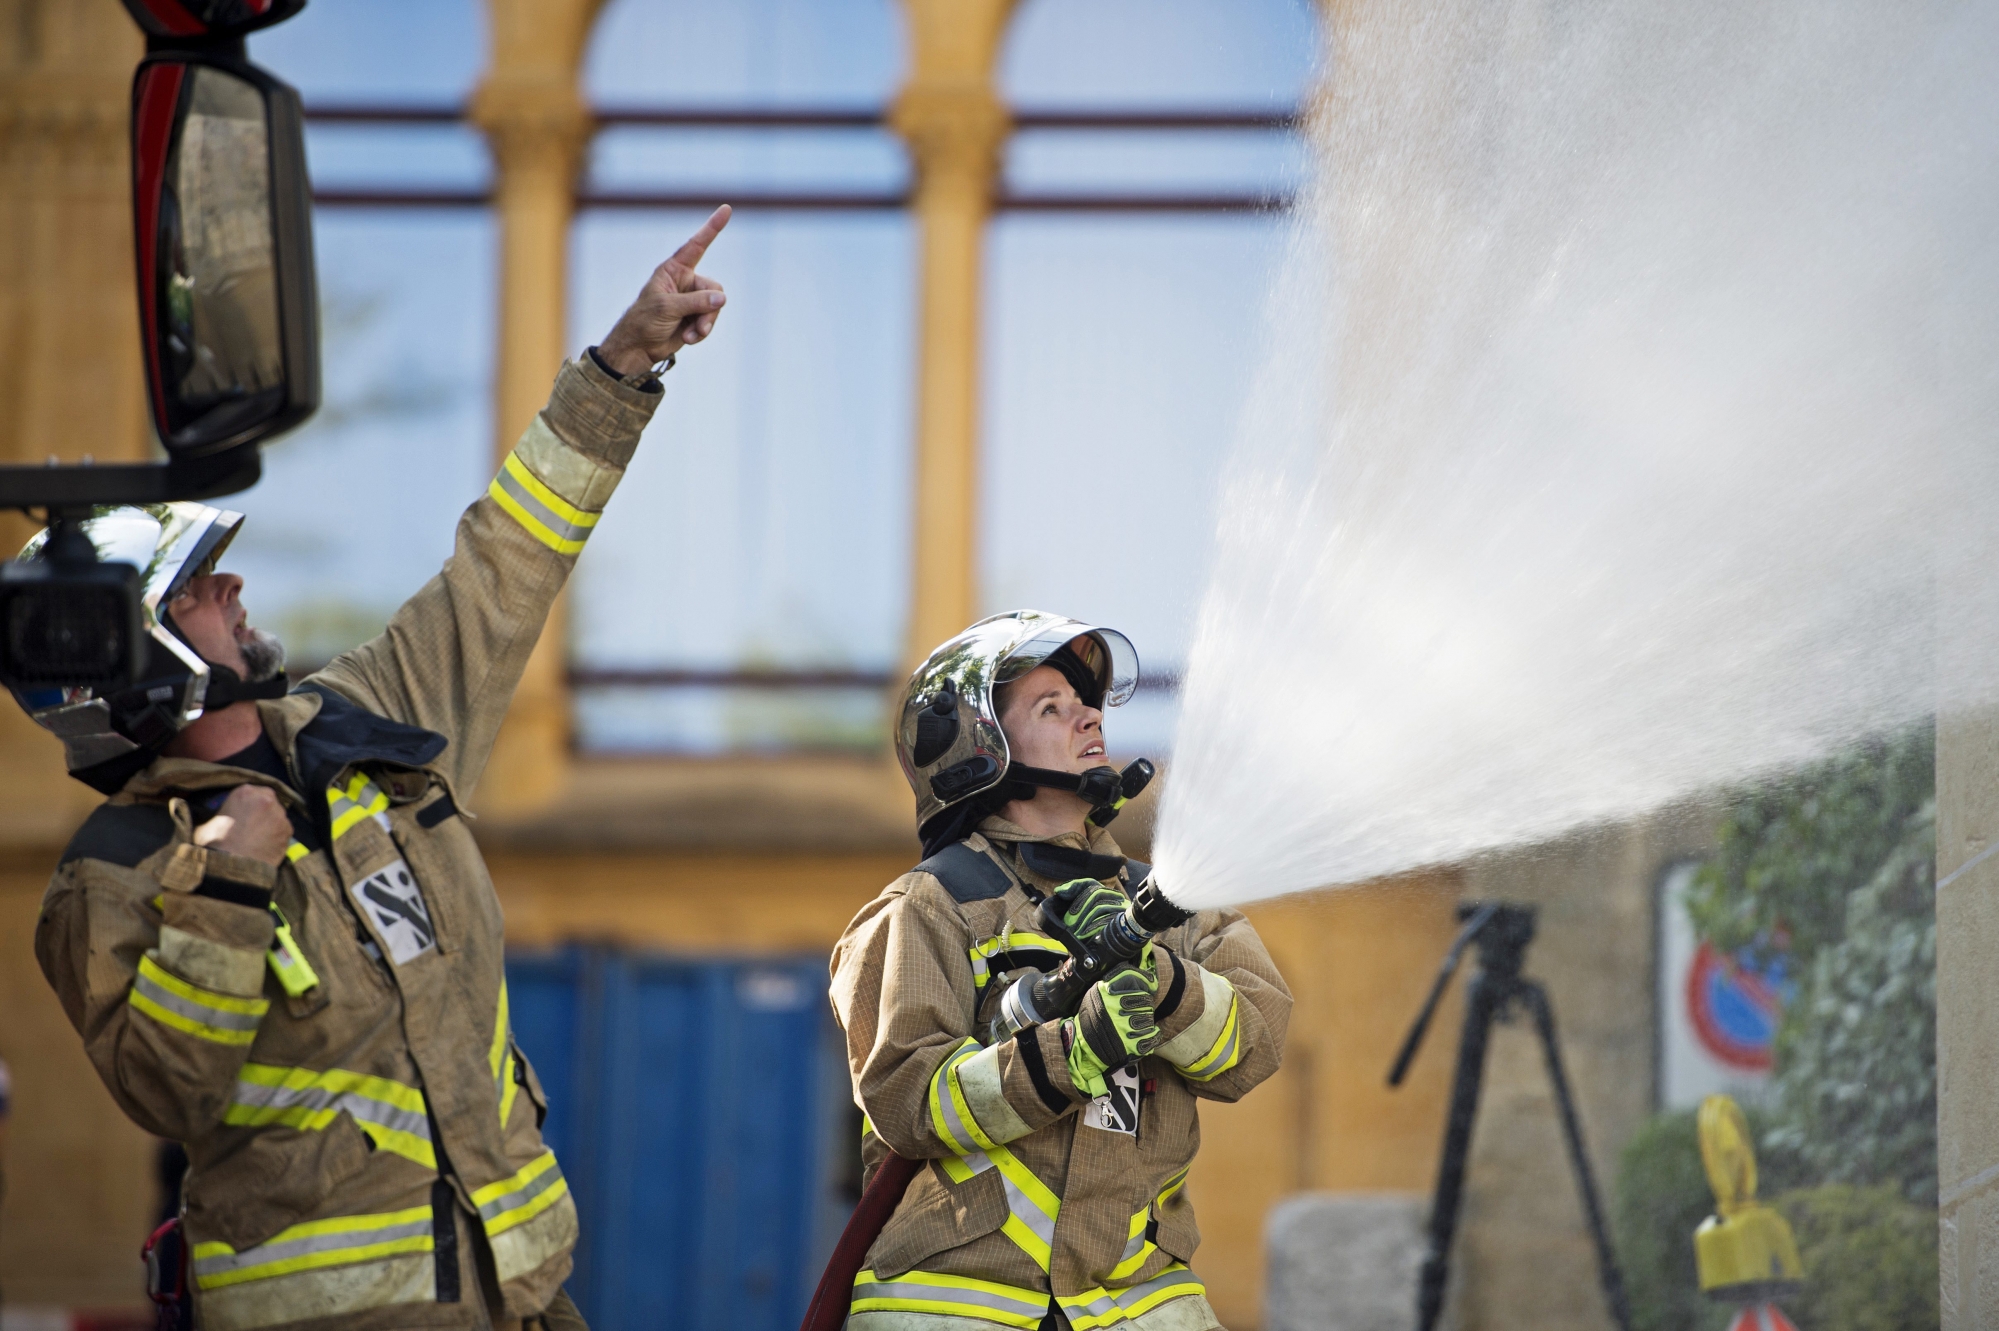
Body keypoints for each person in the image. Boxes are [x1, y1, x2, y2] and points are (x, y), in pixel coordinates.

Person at [25, 206, 734, 1331]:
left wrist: (622, 362)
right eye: (204, 592)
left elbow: (507, 557)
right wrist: (223, 891)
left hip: (531, 1304)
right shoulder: (112, 874)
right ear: (140, 653)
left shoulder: (362, 726)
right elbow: (167, 1089)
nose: (238, 593)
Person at [830, 610, 1293, 1331]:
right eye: (1051, 706)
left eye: (1086, 701)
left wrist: (1167, 986)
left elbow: (1254, 1044)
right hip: (962, 1305)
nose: (1087, 715)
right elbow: (911, 1100)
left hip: (1137, 1303)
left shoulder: (1173, 904)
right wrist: (1068, 1056)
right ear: (975, 748)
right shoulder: (927, 909)